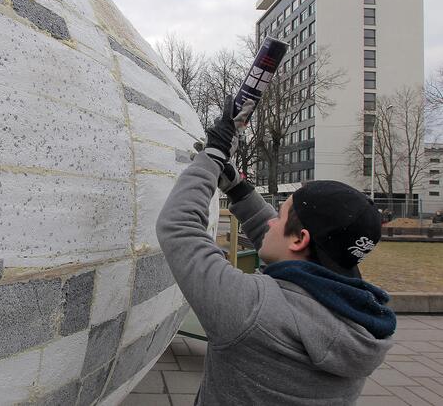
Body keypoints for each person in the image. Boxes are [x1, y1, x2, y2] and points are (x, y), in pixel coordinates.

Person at [156, 97, 396, 405]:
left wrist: (213, 154)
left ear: (300, 240)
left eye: (279, 216)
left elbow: (178, 226)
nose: (269, 223)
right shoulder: (364, 320)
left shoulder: (252, 310)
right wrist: (238, 188)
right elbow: (285, 246)